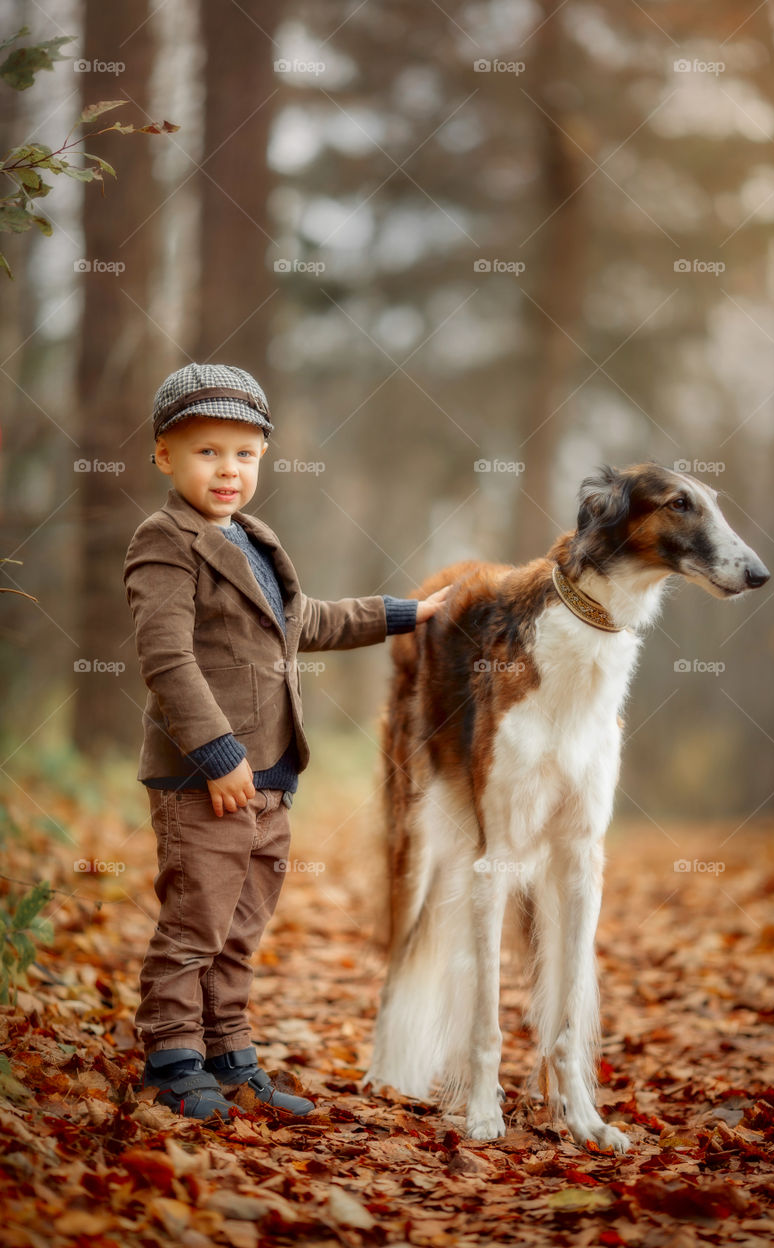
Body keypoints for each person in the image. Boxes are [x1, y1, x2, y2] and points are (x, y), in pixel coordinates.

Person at [124, 363, 450, 1122]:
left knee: (240, 930)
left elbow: (309, 623)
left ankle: (230, 1056)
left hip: (272, 778)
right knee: (194, 925)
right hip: (204, 779)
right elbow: (166, 658)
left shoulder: (255, 540)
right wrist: (215, 754)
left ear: (263, 456)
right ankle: (172, 1059)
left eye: (243, 453)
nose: (227, 470)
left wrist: (406, 613)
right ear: (164, 456)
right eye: (206, 452)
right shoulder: (163, 540)